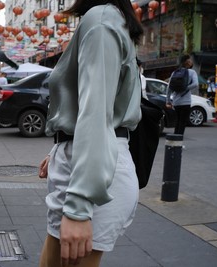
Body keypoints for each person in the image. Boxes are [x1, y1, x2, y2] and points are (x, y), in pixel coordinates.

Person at [38, 1, 143, 266]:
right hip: (86, 165)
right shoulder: (106, 19)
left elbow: (96, 112)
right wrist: (63, 147)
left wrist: (79, 208)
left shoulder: (101, 20)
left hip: (92, 177)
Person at [166, 54, 198, 135]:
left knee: (177, 122)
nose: (191, 62)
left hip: (176, 102)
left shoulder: (175, 72)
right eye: (190, 60)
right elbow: (195, 84)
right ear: (187, 62)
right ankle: (178, 142)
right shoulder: (192, 72)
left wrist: (168, 101)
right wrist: (185, 88)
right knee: (182, 123)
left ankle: (175, 142)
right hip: (186, 102)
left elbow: (169, 88)